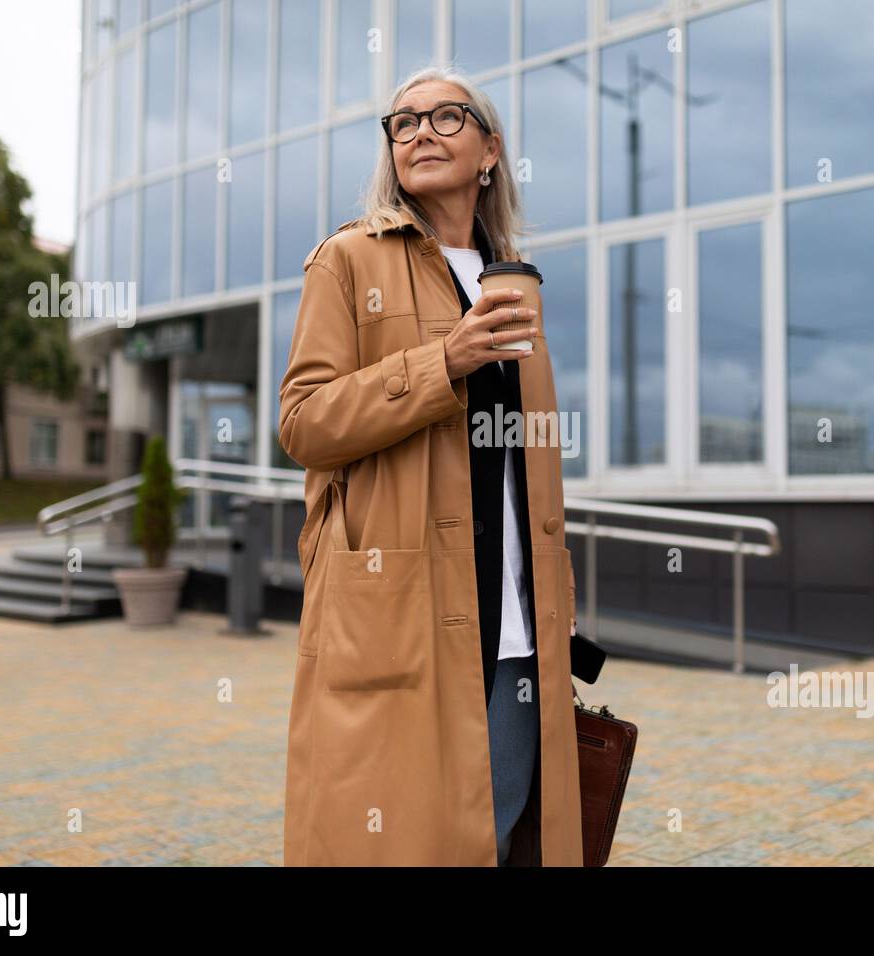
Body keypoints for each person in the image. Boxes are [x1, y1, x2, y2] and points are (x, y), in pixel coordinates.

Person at [278, 66, 582, 867]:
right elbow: (304, 423)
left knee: (502, 830)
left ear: (490, 151)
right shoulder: (347, 260)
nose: (420, 131)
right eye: (403, 122)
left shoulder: (514, 282)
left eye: (448, 117)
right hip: (399, 613)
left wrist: (557, 595)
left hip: (516, 627)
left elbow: (528, 467)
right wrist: (439, 365)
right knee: (398, 842)